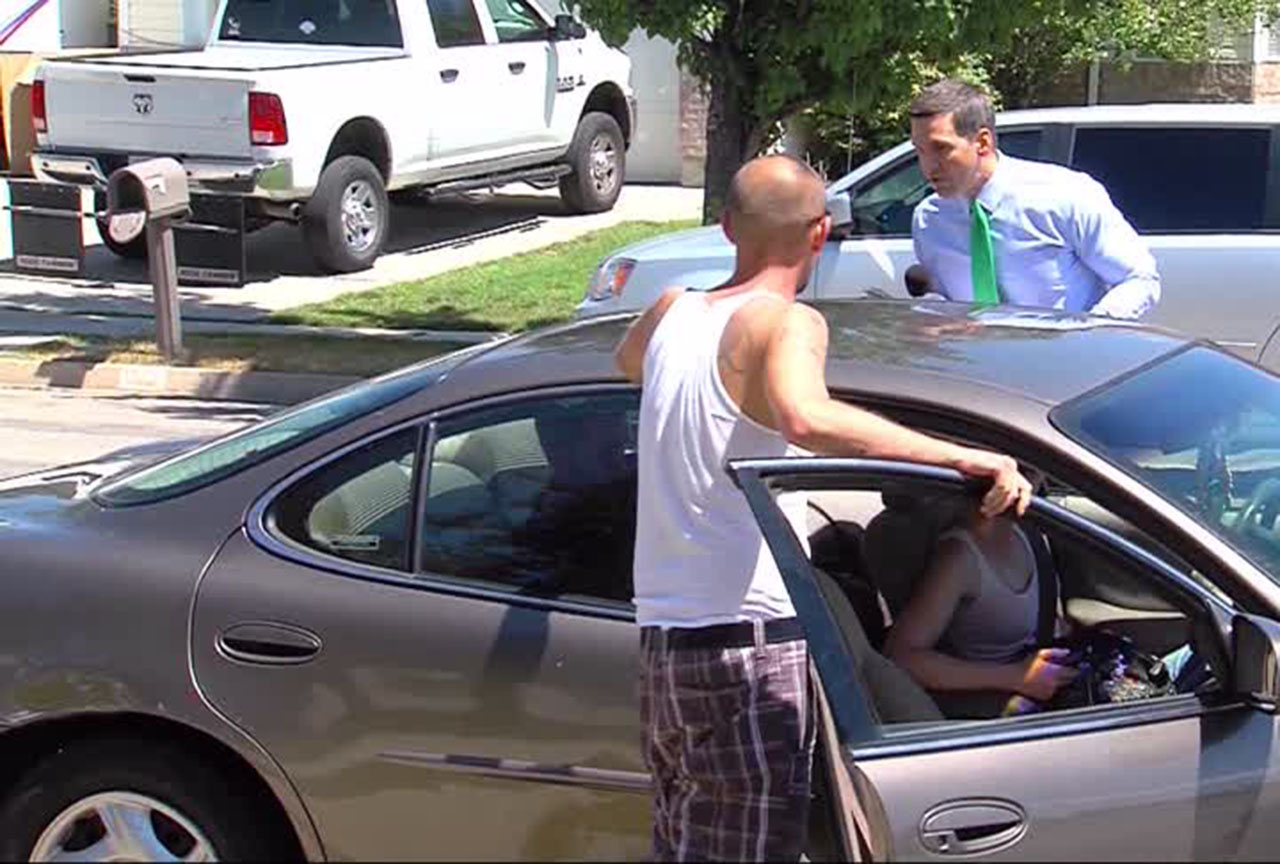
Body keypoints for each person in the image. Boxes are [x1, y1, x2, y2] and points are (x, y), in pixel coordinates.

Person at [614, 154, 1033, 862]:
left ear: (725, 228)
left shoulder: (670, 311)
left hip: (664, 645)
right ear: (819, 234)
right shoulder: (788, 322)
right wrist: (964, 458)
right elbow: (806, 417)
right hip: (746, 643)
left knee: (686, 843)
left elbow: (632, 364)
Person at [909, 78, 1160, 319]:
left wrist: (1089, 331)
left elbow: (1139, 280)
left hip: (1066, 357)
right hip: (976, 360)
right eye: (920, 151)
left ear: (983, 142)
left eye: (941, 149)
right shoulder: (929, 220)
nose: (928, 166)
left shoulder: (1065, 195)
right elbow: (943, 296)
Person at [884, 498, 1079, 717]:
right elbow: (902, 657)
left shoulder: (1026, 531)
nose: (1033, 477)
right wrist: (1016, 677)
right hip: (994, 704)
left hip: (1041, 672)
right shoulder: (959, 556)